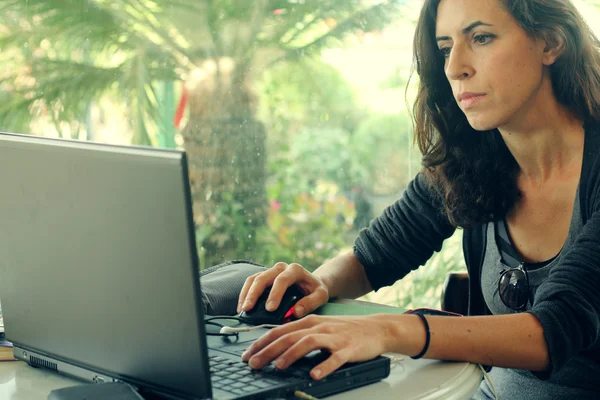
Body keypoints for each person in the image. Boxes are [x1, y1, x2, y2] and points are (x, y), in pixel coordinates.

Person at [237, 0, 600, 398]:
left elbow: (554, 329)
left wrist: (390, 330)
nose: (454, 67)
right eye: (445, 48)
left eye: (481, 37)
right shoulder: (470, 159)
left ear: (550, 43)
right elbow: (375, 255)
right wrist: (318, 284)